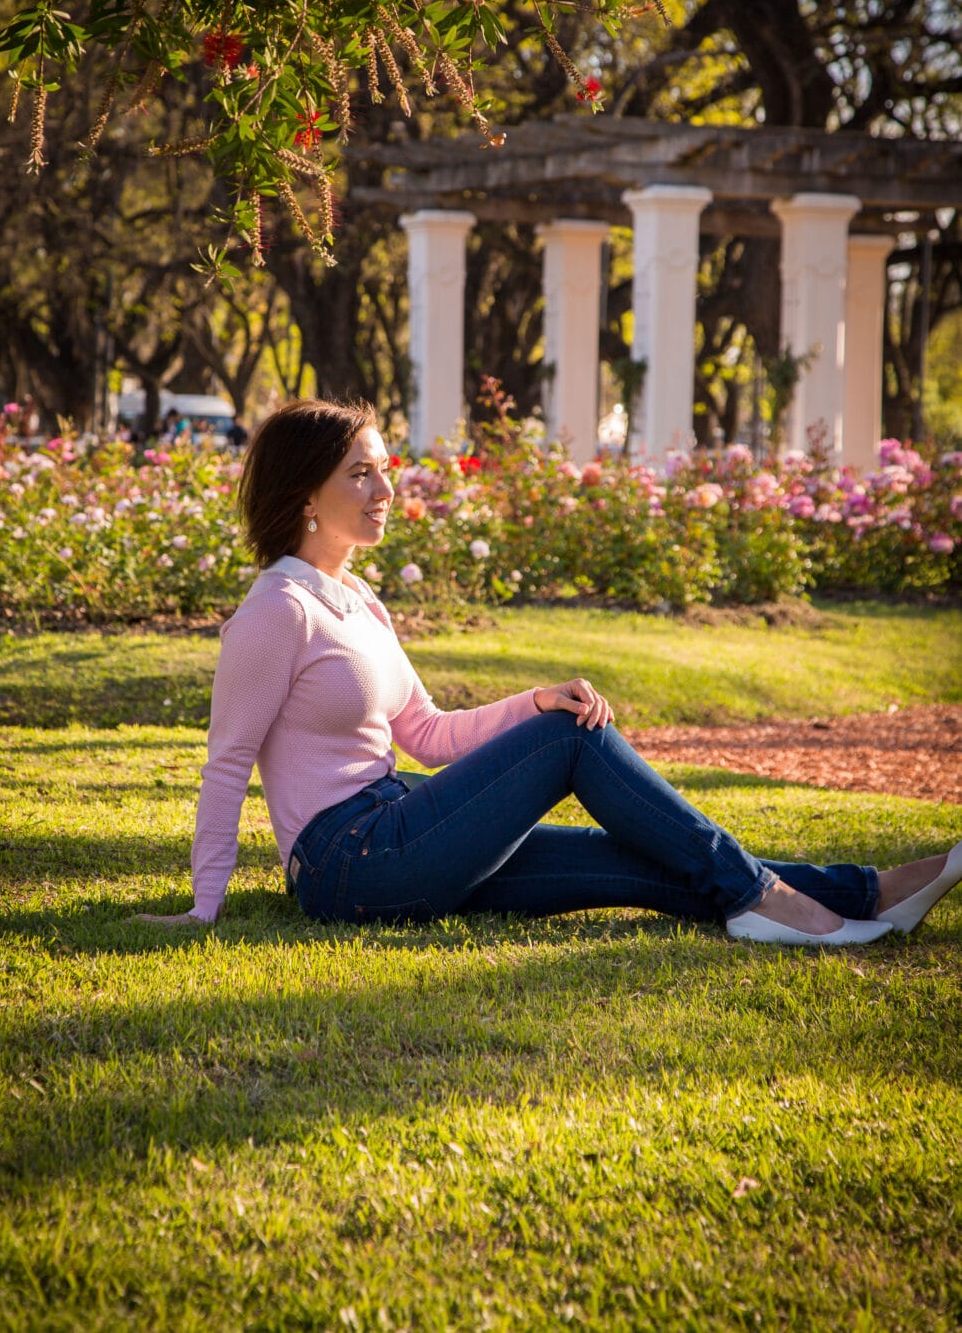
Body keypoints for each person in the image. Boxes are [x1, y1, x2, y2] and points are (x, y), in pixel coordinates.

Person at [139, 399, 962, 945]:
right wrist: (204, 907)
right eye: (361, 472)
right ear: (304, 495)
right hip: (348, 863)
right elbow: (226, 763)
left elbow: (426, 736)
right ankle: (774, 906)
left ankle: (864, 895)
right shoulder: (277, 608)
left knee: (639, 864)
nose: (387, 487)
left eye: (384, 467)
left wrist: (529, 699)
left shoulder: (358, 602)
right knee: (571, 737)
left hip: (412, 827)